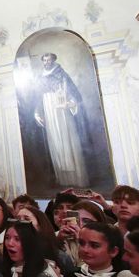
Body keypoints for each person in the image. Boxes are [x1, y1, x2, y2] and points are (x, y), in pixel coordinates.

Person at [33, 52, 90, 188]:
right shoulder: (39, 77)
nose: (47, 62)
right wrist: (37, 112)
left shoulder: (62, 74)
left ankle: (77, 179)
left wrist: (70, 103)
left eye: (49, 59)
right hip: (48, 109)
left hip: (62, 110)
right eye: (44, 60)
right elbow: (38, 99)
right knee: (56, 143)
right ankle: (63, 179)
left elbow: (72, 93)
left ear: (53, 60)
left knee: (68, 141)